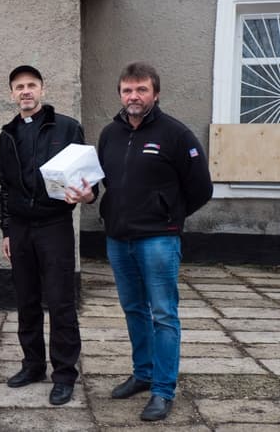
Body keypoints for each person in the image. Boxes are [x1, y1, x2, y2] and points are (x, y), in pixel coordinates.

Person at [98, 62, 213, 421]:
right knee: (134, 310)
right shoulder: (109, 134)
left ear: (155, 93)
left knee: (164, 315)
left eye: (141, 90)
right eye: (128, 90)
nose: (134, 96)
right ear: (120, 93)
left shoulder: (176, 134)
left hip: (158, 241)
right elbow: (105, 182)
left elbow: (201, 188)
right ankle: (143, 374)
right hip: (118, 239)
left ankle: (163, 390)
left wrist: (169, 217)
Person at [0, 65, 97, 406]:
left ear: (42, 89)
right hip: (21, 229)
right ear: (12, 94)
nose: (25, 91)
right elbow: (6, 190)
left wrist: (88, 195)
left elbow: (88, 180)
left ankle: (65, 374)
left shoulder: (67, 128)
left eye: (31, 85)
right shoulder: (6, 134)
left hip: (54, 226)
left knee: (60, 301)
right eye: (19, 87)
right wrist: (7, 230)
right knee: (26, 301)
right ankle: (33, 365)